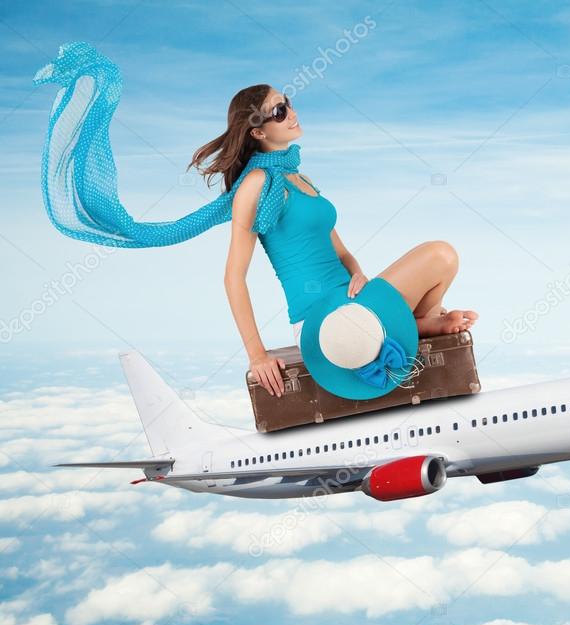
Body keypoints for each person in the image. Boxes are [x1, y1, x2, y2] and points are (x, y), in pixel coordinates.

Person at [189, 86, 478, 400]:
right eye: (279, 111)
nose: (292, 113)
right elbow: (233, 277)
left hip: (351, 296)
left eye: (287, 103)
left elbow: (341, 252)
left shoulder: (301, 178)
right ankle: (423, 323)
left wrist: (358, 273)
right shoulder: (256, 184)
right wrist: (257, 355)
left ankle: (423, 323)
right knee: (440, 254)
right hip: (321, 320)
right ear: (257, 132)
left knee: (444, 259)